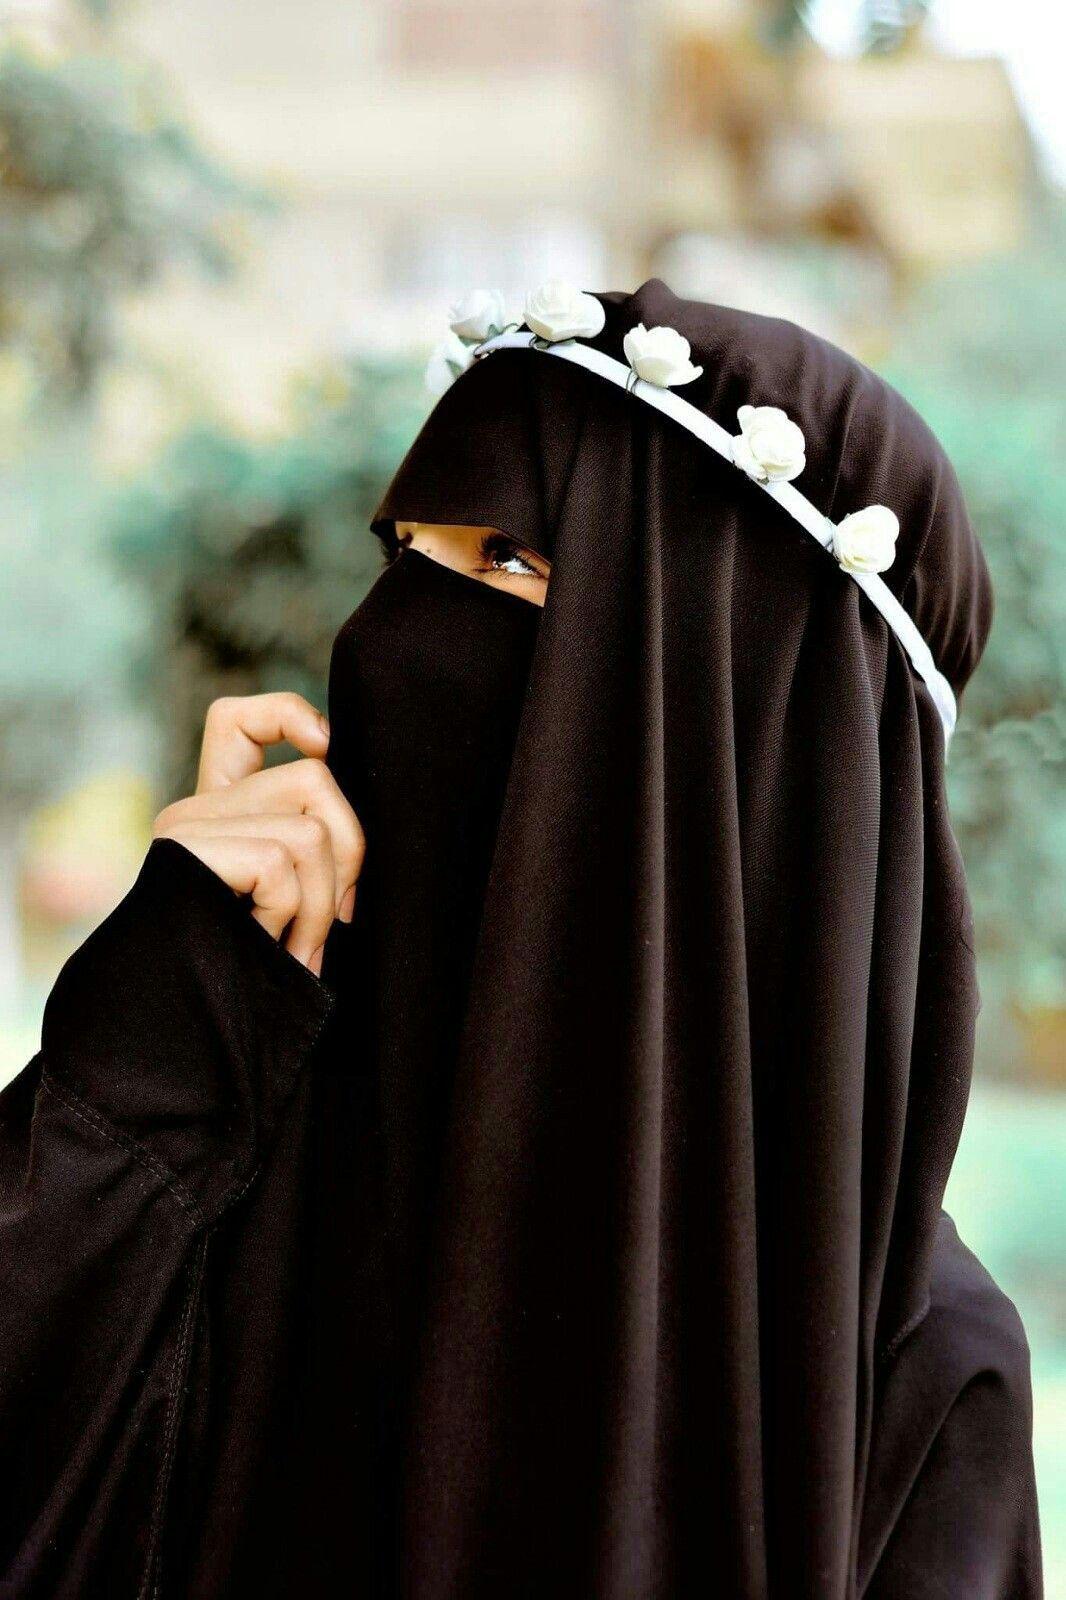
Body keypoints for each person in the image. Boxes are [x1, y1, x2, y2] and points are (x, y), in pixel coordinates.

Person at [0, 280, 1041, 1598]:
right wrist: (143, 1059)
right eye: (407, 557)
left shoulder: (912, 1373)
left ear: (737, 706)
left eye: (507, 559)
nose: (388, 637)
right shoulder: (220, 1112)